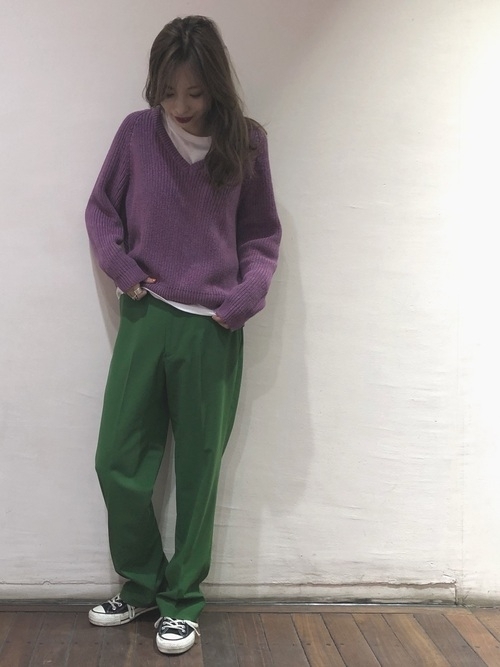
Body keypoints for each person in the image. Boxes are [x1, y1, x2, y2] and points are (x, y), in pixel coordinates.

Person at [84, 15, 281, 656]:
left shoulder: (246, 143)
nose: (180, 106)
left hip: (212, 328)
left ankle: (183, 602)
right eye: (168, 92)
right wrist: (124, 271)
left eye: (194, 92)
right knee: (117, 461)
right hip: (147, 317)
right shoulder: (137, 135)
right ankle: (141, 585)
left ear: (215, 85)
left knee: (199, 471)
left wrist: (246, 295)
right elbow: (101, 210)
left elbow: (260, 234)